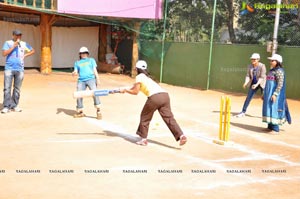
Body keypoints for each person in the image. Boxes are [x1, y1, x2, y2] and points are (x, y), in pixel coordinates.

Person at [120, 60, 187, 146]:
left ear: (137, 69)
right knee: (169, 118)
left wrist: (125, 90)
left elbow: (135, 91)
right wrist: (124, 89)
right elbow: (133, 87)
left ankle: (143, 139)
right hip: (165, 96)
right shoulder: (147, 78)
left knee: (145, 117)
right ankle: (181, 135)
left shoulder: (139, 77)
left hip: (155, 97)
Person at [1, 29, 35, 114]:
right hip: (9, 68)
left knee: (17, 89)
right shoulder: (8, 43)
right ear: (13, 35)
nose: (18, 37)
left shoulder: (23, 44)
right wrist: (13, 46)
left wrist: (25, 55)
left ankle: (14, 105)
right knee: (7, 88)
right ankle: (6, 106)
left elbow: (33, 50)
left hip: (20, 69)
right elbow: (4, 54)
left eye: (20, 35)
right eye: (16, 35)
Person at [262, 54, 291, 133]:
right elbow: (268, 83)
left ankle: (275, 128)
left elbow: (280, 84)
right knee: (268, 108)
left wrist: (275, 94)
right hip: (268, 93)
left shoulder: (279, 71)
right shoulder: (272, 70)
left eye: (273, 60)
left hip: (275, 94)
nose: (271, 62)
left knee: (273, 109)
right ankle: (270, 126)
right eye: (271, 60)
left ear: (278, 62)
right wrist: (264, 94)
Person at [72, 46, 102, 119]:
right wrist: (74, 72)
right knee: (79, 94)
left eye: (85, 53)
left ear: (87, 53)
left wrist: (97, 78)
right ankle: (80, 111)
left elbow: (94, 69)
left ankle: (98, 111)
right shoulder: (77, 63)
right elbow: (76, 70)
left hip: (91, 79)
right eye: (82, 53)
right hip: (81, 80)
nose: (84, 54)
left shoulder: (91, 60)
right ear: (80, 54)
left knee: (95, 93)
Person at [236, 53, 266, 117]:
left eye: (254, 59)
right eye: (252, 59)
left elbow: (262, 77)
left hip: (262, 84)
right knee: (248, 97)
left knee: (265, 98)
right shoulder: (250, 66)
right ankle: (243, 112)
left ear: (258, 59)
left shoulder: (262, 66)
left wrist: (257, 84)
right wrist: (245, 82)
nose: (253, 60)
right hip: (253, 83)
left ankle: (267, 114)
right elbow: (248, 76)